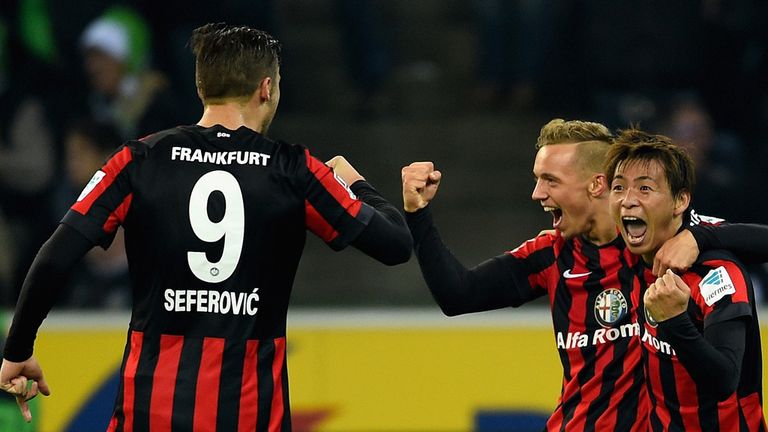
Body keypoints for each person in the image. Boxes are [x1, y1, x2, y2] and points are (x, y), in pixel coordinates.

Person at [0, 22, 412, 430]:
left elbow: (57, 254)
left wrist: (18, 347)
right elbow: (395, 245)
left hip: (148, 415)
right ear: (266, 88)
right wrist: (356, 184)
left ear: (202, 88)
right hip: (249, 417)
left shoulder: (139, 159)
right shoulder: (296, 171)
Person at [401, 118, 768, 431]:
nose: (536, 193)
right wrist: (417, 216)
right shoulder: (552, 253)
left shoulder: (663, 240)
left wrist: (697, 236)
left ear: (595, 184)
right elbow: (459, 295)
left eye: (550, 180)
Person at [605, 129, 766, 431]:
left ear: (680, 201)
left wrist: (676, 321)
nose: (627, 201)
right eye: (618, 188)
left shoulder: (716, 273)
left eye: (645, 189)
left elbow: (724, 380)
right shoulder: (631, 252)